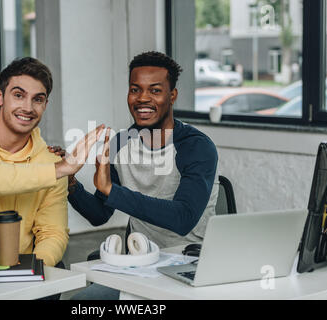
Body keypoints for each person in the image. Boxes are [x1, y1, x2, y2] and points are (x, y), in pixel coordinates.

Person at [62, 51, 219, 299]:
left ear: (172, 95)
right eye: (135, 89)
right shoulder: (120, 143)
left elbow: (183, 218)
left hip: (190, 264)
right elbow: (99, 214)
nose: (142, 98)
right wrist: (69, 183)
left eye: (155, 90)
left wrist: (112, 190)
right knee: (81, 302)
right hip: (140, 263)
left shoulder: (196, 147)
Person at [0, 57, 105, 268]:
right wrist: (60, 169)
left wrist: (30, 269)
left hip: (18, 270)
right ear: (0, 96)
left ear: (45, 105)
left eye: (38, 99)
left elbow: (52, 233)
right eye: (18, 95)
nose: (28, 107)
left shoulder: (50, 163)